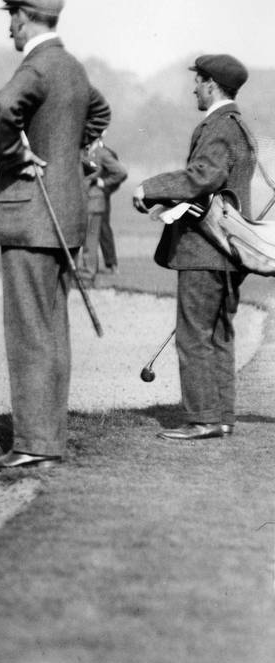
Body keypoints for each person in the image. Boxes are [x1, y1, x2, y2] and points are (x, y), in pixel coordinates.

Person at [0, 0, 110, 472]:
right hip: (66, 217)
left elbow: (4, 108)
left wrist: (17, 157)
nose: (10, 28)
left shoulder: (36, 66)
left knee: (30, 333)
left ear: (22, 16)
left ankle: (34, 444)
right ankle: (47, 441)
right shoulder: (72, 67)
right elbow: (100, 111)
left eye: (11, 18)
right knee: (52, 332)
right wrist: (68, 153)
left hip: (31, 218)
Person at [132, 54, 255, 440]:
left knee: (194, 335)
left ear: (212, 85)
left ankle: (202, 419)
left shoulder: (219, 126)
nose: (194, 89)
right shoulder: (239, 126)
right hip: (229, 251)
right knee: (219, 334)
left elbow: (203, 176)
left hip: (204, 249)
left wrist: (149, 188)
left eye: (198, 81)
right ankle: (221, 418)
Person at [76, 136, 128, 285]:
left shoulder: (101, 153)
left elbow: (121, 172)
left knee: (90, 241)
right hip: (84, 201)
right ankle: (85, 272)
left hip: (95, 202)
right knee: (85, 240)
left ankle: (88, 275)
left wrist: (103, 182)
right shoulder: (85, 151)